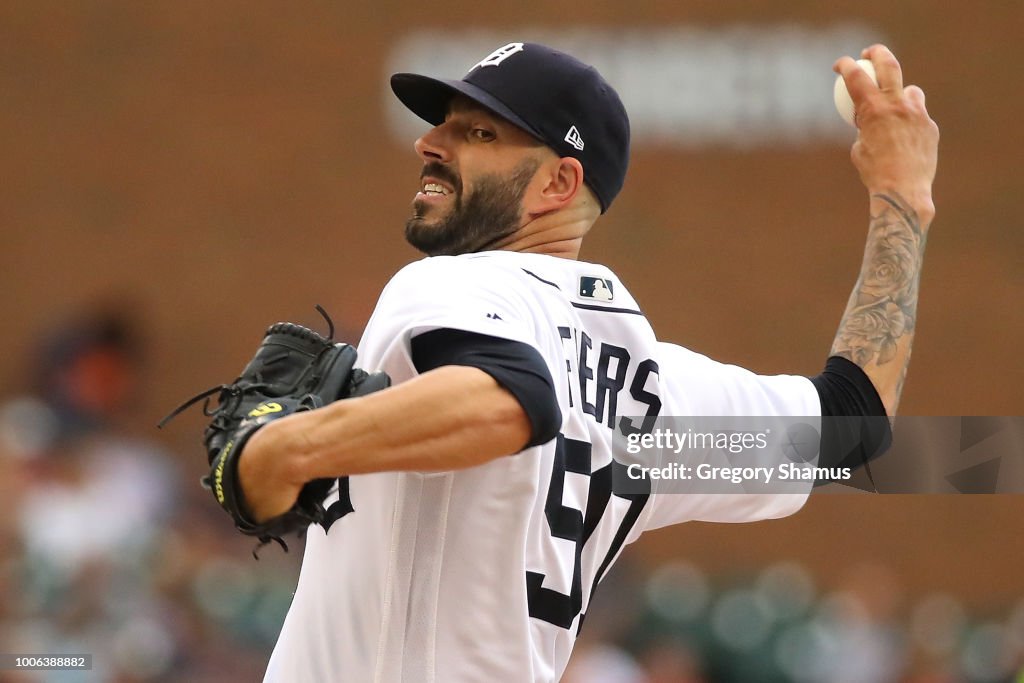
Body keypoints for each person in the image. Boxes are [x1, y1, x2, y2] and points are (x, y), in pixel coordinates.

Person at [236, 41, 938, 681]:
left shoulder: (454, 281)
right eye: (443, 123)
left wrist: (279, 450)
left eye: (477, 133)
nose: (430, 143)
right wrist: (901, 200)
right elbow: (854, 422)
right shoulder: (650, 390)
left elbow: (512, 400)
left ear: (558, 185)